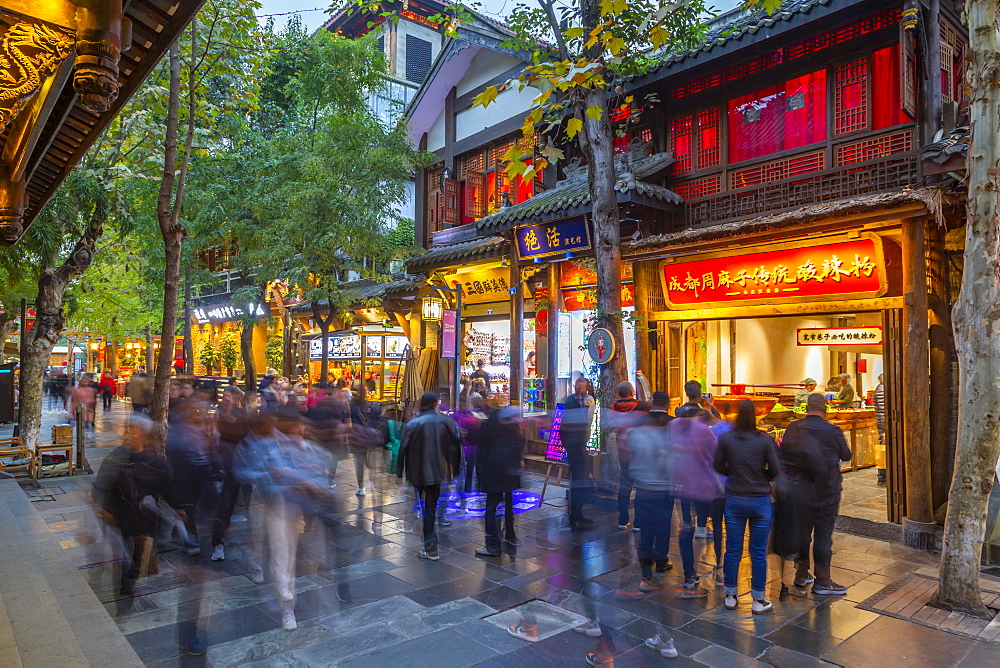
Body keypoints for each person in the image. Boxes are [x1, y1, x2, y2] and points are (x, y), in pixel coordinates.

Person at [235, 407, 333, 631]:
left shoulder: (307, 449)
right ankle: (285, 602)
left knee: (290, 560)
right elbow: (248, 471)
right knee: (282, 557)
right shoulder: (266, 447)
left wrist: (311, 485)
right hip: (276, 507)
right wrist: (273, 477)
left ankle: (287, 600)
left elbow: (320, 479)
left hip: (298, 510)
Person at [714, 399, 781, 614]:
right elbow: (776, 468)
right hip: (760, 499)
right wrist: (762, 478)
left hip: (735, 497)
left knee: (733, 549)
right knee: (758, 552)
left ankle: (731, 595)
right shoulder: (765, 440)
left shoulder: (726, 439)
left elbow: (717, 465)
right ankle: (758, 599)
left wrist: (733, 475)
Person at [787, 394, 853, 596]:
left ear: (806, 408)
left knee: (801, 534)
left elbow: (784, 454)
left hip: (799, 490)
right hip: (827, 490)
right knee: (823, 536)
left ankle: (801, 574)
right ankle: (823, 580)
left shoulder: (794, 428)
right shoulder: (832, 430)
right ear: (824, 409)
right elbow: (847, 455)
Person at [396, 392, 462, 560]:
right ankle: (431, 547)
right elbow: (456, 446)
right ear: (435, 404)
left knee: (424, 507)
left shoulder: (413, 423)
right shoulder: (446, 422)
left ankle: (430, 547)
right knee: (431, 509)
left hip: (417, 472)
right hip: (438, 472)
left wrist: (399, 470)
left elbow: (403, 447)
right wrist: (455, 469)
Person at [671, 403, 722, 597]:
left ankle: (689, 576)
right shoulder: (704, 431)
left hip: (682, 486)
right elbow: (715, 458)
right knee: (716, 525)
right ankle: (720, 571)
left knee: (685, 529)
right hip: (705, 487)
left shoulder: (673, 426)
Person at [626, 391, 675, 591]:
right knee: (663, 526)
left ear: (652, 402)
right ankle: (661, 559)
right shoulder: (671, 424)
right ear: (668, 404)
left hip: (643, 487)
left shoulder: (638, 425)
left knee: (646, 527)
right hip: (663, 487)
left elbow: (630, 455)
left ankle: (646, 571)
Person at [474, 405, 524, 556]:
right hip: (509, 474)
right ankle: (510, 535)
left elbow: (480, 447)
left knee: (491, 508)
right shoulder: (514, 431)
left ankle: (493, 545)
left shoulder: (489, 430)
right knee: (508, 505)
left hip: (494, 474)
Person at [210, 386, 251, 563]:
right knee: (224, 506)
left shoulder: (241, 415)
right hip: (222, 464)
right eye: (225, 395)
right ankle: (217, 543)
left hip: (239, 463)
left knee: (241, 503)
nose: (227, 399)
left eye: (230, 396)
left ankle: (249, 540)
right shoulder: (216, 412)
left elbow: (247, 437)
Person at [562, 376, 596, 530]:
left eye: (584, 385)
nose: (582, 387)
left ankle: (578, 513)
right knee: (577, 481)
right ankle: (574, 515)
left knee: (580, 480)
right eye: (580, 385)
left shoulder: (584, 401)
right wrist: (568, 444)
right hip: (575, 446)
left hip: (579, 445)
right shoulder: (571, 402)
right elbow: (564, 426)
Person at [610, 382, 641, 531]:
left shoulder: (614, 408)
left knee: (624, 487)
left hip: (623, 451)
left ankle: (622, 520)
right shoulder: (639, 406)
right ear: (632, 391)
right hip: (638, 451)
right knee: (640, 487)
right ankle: (638, 522)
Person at [349, 384, 384, 495]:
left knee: (359, 462)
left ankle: (361, 487)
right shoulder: (371, 406)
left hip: (358, 438)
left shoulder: (351, 406)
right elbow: (378, 419)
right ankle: (371, 483)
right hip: (368, 438)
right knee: (368, 462)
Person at [873, 373, 886, 486]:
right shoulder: (883, 389)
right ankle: (882, 478)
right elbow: (883, 411)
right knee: (884, 451)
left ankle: (882, 477)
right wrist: (884, 430)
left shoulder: (880, 388)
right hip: (884, 426)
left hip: (883, 425)